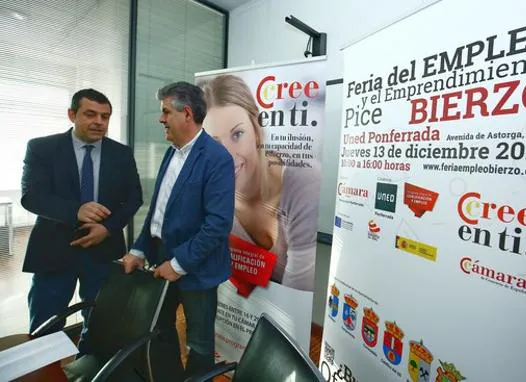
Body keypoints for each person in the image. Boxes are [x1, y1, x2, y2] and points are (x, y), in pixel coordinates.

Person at [121, 81, 235, 380]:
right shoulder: (171, 152)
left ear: (186, 113)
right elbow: (158, 211)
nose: (160, 119)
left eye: (165, 111)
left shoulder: (216, 158)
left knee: (198, 342)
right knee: (161, 330)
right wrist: (138, 248)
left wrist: (179, 264)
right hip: (160, 261)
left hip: (195, 268)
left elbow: (217, 225)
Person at [21, 88, 143, 353]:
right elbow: (32, 197)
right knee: (45, 328)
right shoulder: (42, 148)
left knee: (102, 324)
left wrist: (107, 228)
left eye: (105, 116)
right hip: (53, 252)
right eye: (90, 114)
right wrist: (75, 211)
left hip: (103, 252)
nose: (99, 121)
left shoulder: (121, 153)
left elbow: (134, 198)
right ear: (72, 115)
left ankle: (88, 371)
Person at [200, 74, 320, 292]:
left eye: (237, 134)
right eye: (214, 143)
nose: (228, 156)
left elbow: (296, 297)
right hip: (237, 313)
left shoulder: (303, 180)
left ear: (256, 130)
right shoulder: (210, 190)